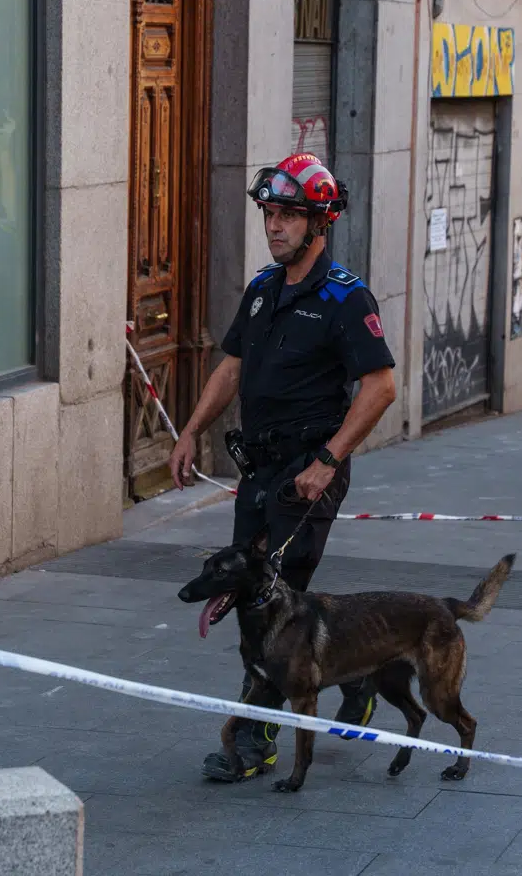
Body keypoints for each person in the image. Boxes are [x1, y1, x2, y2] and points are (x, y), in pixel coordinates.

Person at [167, 153, 398, 782]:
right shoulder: (263, 289)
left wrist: (328, 460)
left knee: (272, 602)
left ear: (318, 223)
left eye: (289, 215)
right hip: (260, 470)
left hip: (307, 473)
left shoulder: (346, 298)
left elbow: (380, 387)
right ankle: (360, 670)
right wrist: (191, 430)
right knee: (250, 593)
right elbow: (233, 367)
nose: (274, 226)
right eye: (269, 213)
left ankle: (255, 740)